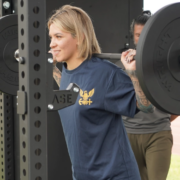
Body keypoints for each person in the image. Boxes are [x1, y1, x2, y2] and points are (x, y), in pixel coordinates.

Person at [48, 5, 154, 180]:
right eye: (51, 37)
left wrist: (134, 74)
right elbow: (73, 96)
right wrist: (53, 70)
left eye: (58, 36)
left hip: (115, 175)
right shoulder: (67, 69)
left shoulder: (106, 74)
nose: (52, 43)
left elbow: (146, 106)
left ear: (79, 38)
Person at [121, 11, 179, 180]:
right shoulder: (123, 63)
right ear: (133, 37)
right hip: (129, 135)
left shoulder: (168, 64)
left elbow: (176, 100)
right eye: (138, 35)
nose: (142, 38)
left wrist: (162, 120)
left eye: (146, 33)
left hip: (158, 134)